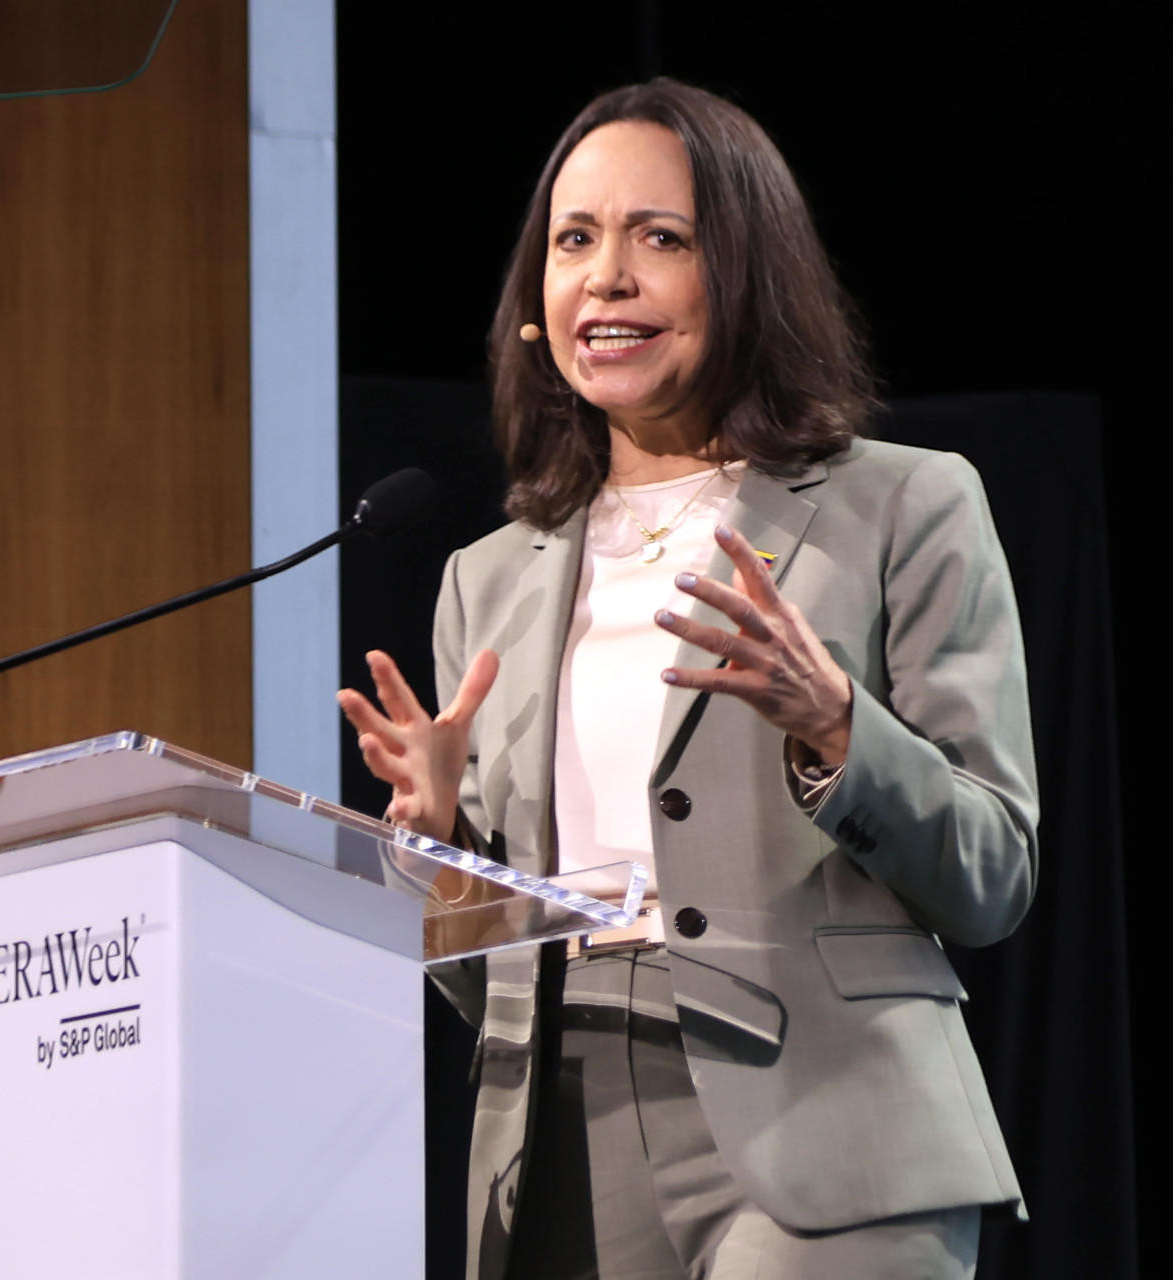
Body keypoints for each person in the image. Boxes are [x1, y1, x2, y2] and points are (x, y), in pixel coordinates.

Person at [338, 79, 1037, 1280]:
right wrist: (443, 841)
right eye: (575, 241)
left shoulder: (903, 505)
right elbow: (481, 985)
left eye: (660, 238)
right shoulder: (487, 580)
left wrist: (836, 727)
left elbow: (995, 873)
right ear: (535, 304)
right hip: (557, 1131)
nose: (607, 276)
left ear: (749, 275)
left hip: (829, 1122)